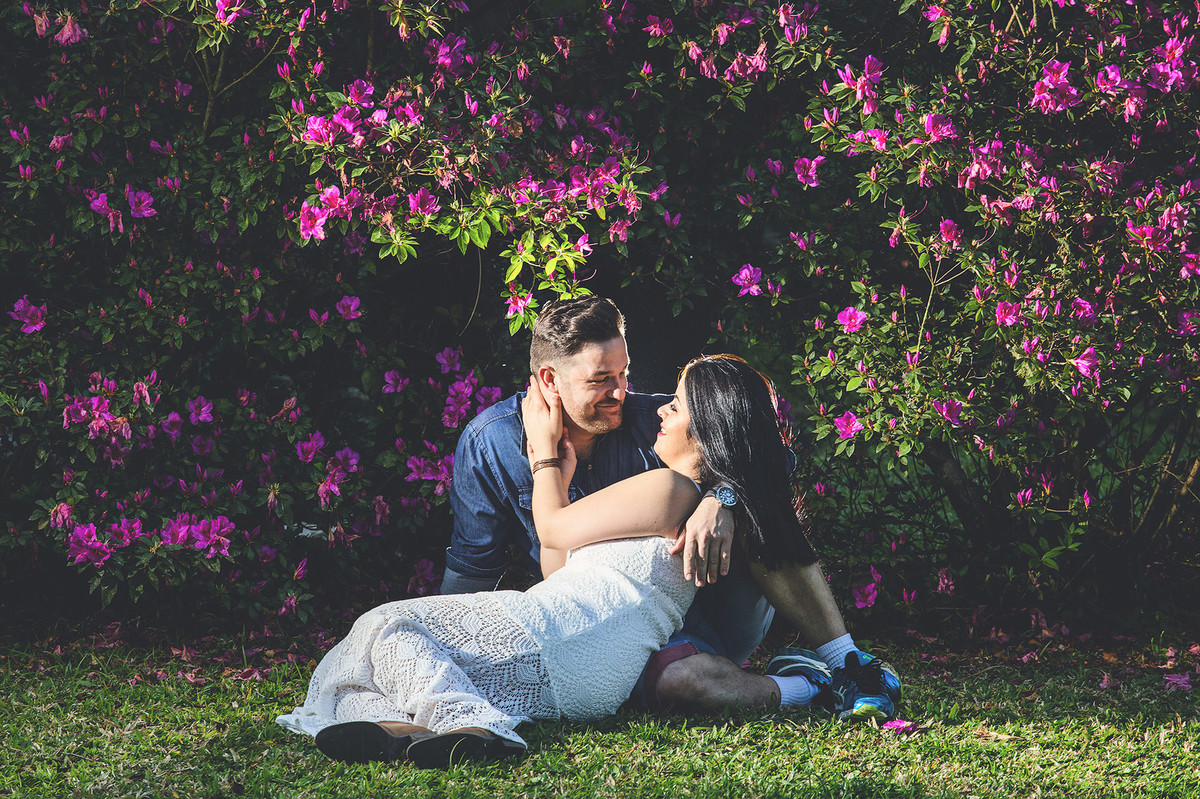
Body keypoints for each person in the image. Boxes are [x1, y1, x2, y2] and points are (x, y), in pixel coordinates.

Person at [276, 355, 831, 767]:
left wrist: (544, 459)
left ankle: (475, 727)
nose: (659, 406)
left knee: (384, 624)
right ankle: (401, 730)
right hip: (587, 655)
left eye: (678, 406)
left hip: (573, 636)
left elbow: (552, 527)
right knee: (369, 659)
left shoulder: (671, 487)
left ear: (708, 427)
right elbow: (558, 569)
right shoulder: (678, 492)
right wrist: (563, 482)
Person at [443, 296, 900, 721]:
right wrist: (454, 643)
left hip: (706, 607)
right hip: (611, 630)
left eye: (624, 373)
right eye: (601, 380)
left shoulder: (651, 420)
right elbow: (478, 566)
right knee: (680, 683)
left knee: (754, 508)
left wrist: (721, 498)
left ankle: (850, 664)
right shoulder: (493, 444)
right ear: (549, 380)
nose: (621, 392)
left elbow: (763, 454)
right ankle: (806, 684)